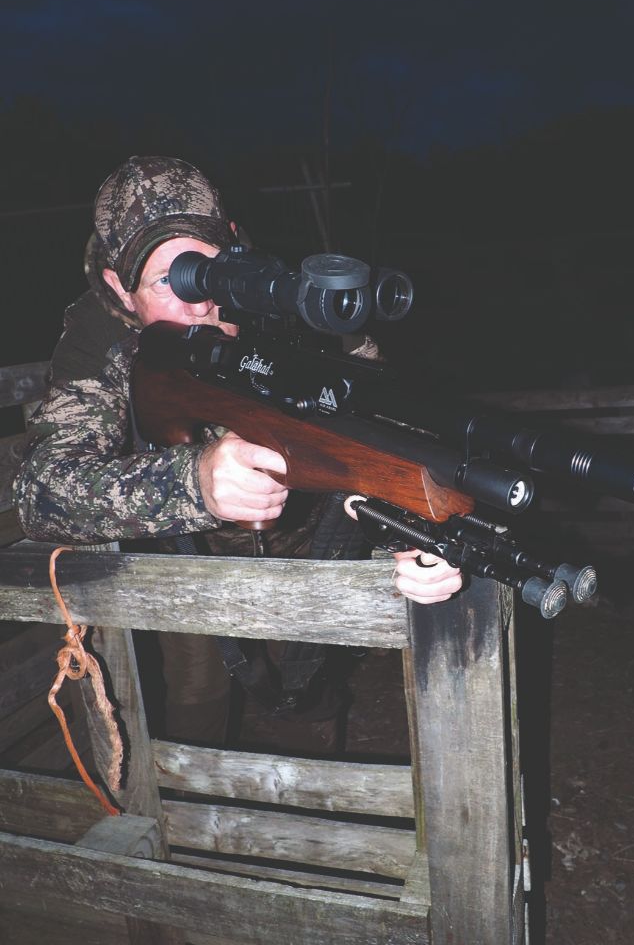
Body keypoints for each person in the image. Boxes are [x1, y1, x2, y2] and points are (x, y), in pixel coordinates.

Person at [13, 155, 462, 748]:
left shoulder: (280, 296)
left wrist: (413, 530)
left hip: (310, 535)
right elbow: (43, 493)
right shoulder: (98, 335)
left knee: (314, 684)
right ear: (121, 286)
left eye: (207, 271)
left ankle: (321, 821)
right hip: (185, 549)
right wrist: (193, 482)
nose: (198, 302)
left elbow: (391, 428)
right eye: (165, 284)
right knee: (198, 699)